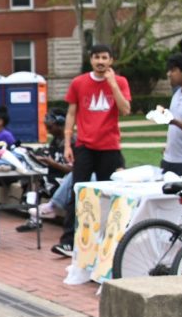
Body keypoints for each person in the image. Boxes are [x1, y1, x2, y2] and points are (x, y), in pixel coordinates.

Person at [56, 43, 131, 257]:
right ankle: (68, 240)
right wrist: (68, 144)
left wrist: (112, 85)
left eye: (104, 57)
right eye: (96, 57)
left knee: (112, 194)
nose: (100, 61)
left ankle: (112, 240)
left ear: (111, 61)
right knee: (77, 192)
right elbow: (71, 114)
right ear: (91, 60)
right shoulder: (79, 83)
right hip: (85, 147)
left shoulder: (121, 82)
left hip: (109, 147)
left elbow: (125, 110)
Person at [18, 113, 72, 232]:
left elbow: (72, 170)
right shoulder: (55, 141)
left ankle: (35, 216)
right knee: (33, 179)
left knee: (39, 181)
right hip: (54, 176)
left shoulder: (71, 142)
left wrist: (52, 163)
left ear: (60, 126)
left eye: (50, 127)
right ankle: (33, 217)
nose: (48, 131)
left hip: (66, 180)